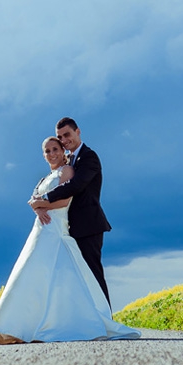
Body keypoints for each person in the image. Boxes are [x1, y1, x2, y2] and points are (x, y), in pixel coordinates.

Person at [0, 136, 140, 345]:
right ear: (43, 155)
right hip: (40, 231)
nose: (51, 154)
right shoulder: (45, 178)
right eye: (47, 151)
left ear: (63, 152)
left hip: (56, 229)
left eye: (55, 149)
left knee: (60, 276)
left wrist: (41, 206)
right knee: (31, 274)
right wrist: (37, 205)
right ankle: (15, 327)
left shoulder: (67, 172)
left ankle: (59, 323)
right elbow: (33, 200)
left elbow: (65, 200)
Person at [28, 117, 113, 307]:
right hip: (69, 228)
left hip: (89, 225)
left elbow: (76, 185)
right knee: (79, 278)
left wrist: (45, 200)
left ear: (78, 132)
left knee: (93, 274)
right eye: (60, 137)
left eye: (67, 135)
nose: (64, 140)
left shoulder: (88, 156)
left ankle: (107, 320)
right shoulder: (70, 161)